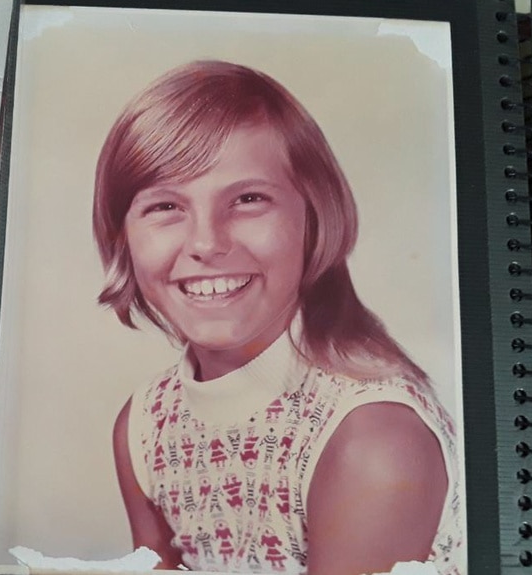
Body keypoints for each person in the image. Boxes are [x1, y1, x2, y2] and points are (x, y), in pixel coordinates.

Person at [92, 60, 463, 575]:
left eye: (248, 199)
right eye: (165, 207)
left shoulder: (372, 438)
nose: (205, 243)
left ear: (315, 216)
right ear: (122, 237)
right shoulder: (146, 424)